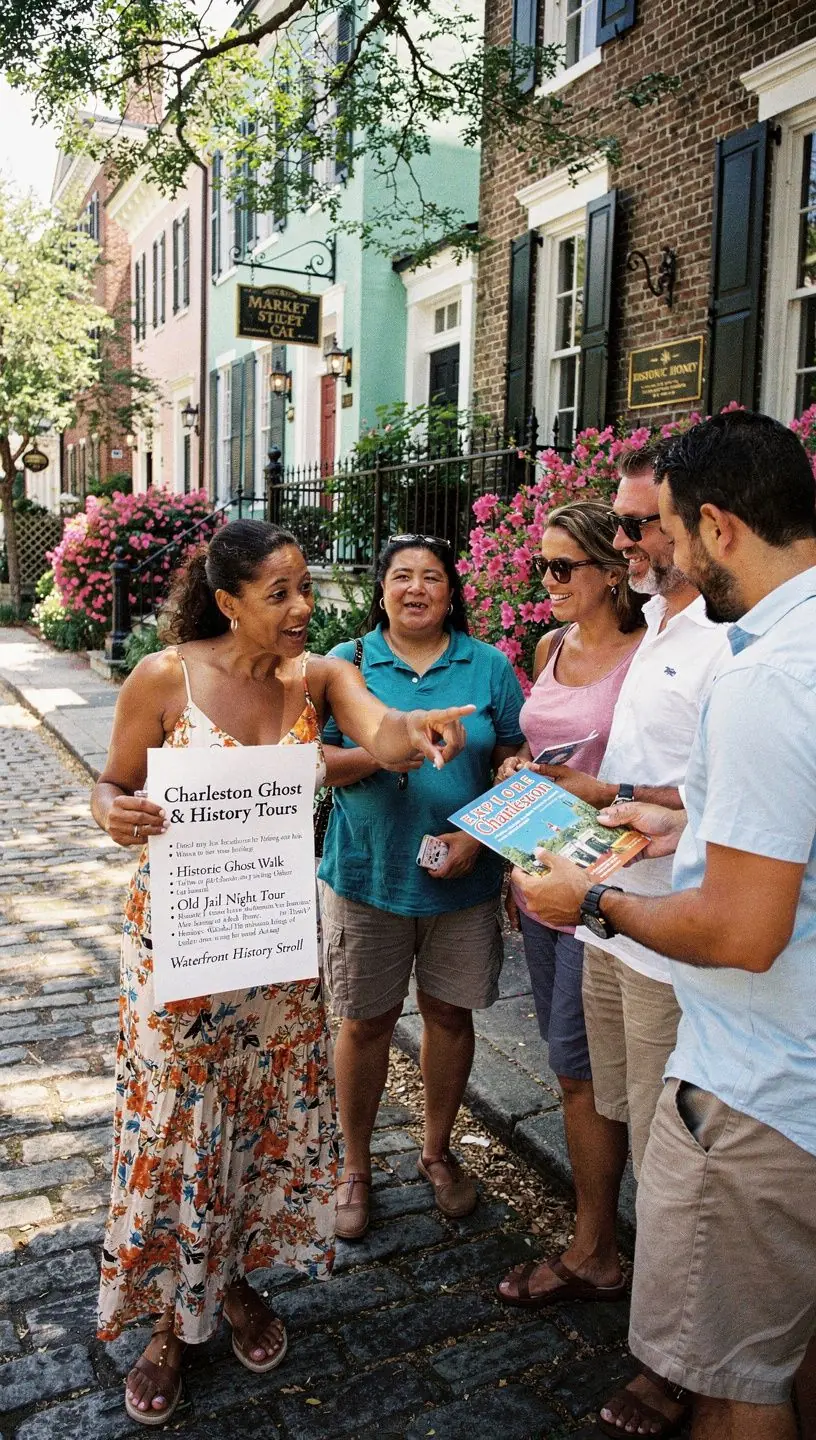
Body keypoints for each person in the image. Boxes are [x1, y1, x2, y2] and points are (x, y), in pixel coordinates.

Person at [91, 520, 473, 1426]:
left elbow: (380, 735)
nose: (304, 606)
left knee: (257, 1118)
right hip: (181, 953)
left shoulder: (319, 676)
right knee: (181, 1127)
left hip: (271, 950)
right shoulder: (164, 678)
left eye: (306, 587)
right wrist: (112, 813)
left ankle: (231, 1284)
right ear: (229, 603)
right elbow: (110, 783)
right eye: (281, 593)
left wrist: (413, 731)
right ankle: (167, 1325)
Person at [513, 412, 816, 1440]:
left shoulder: (764, 674)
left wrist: (591, 903)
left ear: (720, 525)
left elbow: (742, 932)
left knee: (738, 1386)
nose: (659, 554)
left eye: (672, 531)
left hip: (762, 1087)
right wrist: (681, 819)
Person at [502, 449, 731, 1437]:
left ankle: (683, 1363)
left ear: (699, 525)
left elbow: (718, 790)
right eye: (625, 524)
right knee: (615, 1113)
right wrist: (569, 804)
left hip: (668, 932)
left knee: (679, 1155)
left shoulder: (725, 636)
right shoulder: (664, 624)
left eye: (641, 524)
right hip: (607, 919)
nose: (629, 539)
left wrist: (604, 797)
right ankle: (609, 1262)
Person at [318, 534, 525, 1239]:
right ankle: (354, 1166)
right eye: (401, 576)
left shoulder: (488, 665)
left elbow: (514, 757)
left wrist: (486, 830)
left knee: (450, 1017)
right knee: (364, 1022)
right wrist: (389, 747)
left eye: (431, 577)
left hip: (463, 881)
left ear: (451, 591)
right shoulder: (346, 663)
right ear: (380, 591)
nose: (416, 588)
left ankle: (437, 1152)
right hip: (367, 874)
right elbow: (313, 758)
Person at [491, 500, 645, 1311]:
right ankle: (597, 1238)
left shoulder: (649, 653)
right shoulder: (551, 646)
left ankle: (595, 1251)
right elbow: (540, 740)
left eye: (560, 567)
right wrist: (517, 767)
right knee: (567, 1067)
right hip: (540, 880)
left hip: (605, 886)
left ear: (612, 572)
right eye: (539, 566)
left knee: (588, 1077)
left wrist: (593, 792)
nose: (544, 582)